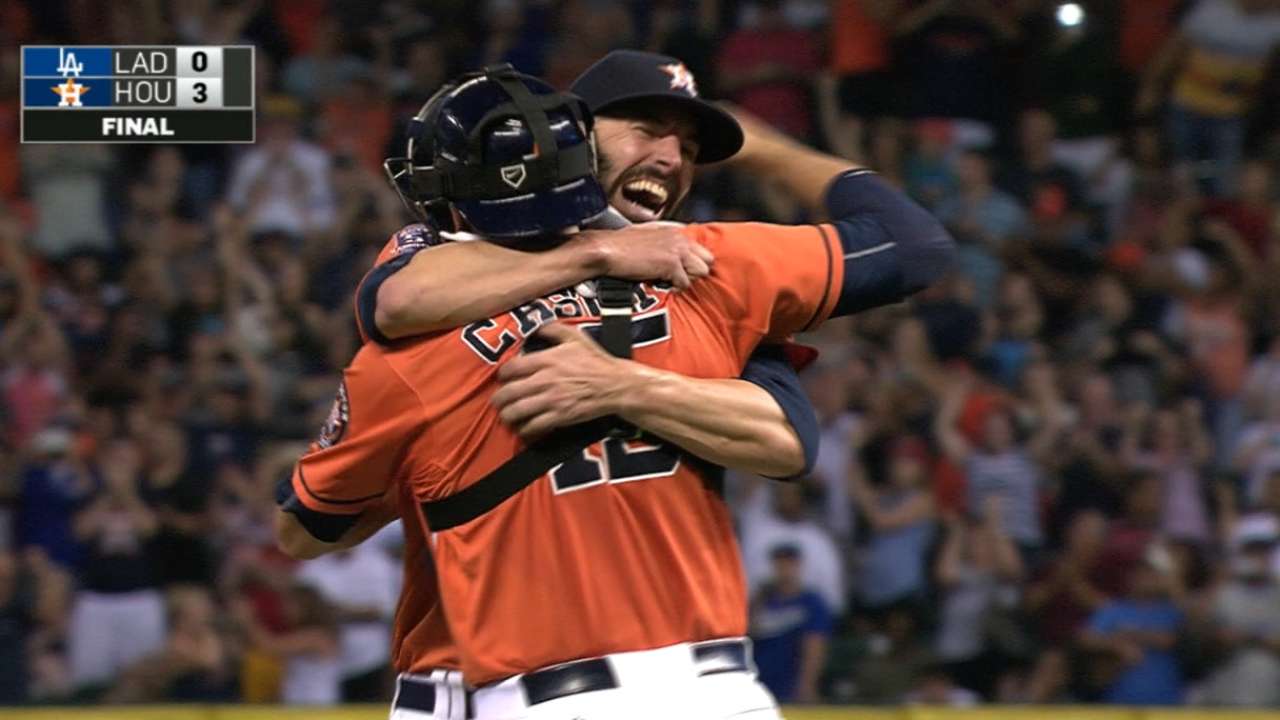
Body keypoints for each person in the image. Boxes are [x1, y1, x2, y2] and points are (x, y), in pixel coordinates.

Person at [276, 64, 951, 719]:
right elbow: (393, 298)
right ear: (569, 137)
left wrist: (620, 385)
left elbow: (308, 524)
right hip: (682, 689)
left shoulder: (701, 266)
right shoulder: (705, 271)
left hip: (548, 689)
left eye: (688, 147)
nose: (669, 157)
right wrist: (602, 254)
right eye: (644, 129)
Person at [749, 544, 833, 705]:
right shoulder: (764, 599)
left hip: (791, 684)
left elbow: (815, 644)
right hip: (761, 682)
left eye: (789, 563)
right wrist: (759, 599)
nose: (784, 569)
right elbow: (750, 632)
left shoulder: (811, 602)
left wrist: (807, 684)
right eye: (779, 564)